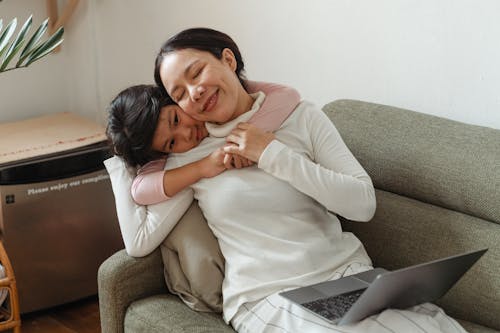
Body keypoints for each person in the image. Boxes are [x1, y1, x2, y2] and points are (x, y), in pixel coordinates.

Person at [105, 28, 467, 333]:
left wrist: (273, 154)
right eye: (179, 93)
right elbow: (140, 231)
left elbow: (362, 203)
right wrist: (122, 165)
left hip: (348, 275)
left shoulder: (301, 116)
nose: (193, 93)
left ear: (228, 60)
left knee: (437, 327)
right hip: (265, 295)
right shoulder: (191, 152)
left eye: (196, 73)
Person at [106, 81, 300, 204]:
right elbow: (141, 190)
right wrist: (204, 166)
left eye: (175, 119)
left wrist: (237, 146)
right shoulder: (174, 158)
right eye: (172, 143)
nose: (186, 133)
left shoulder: (214, 97)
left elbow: (286, 94)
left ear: (172, 98)